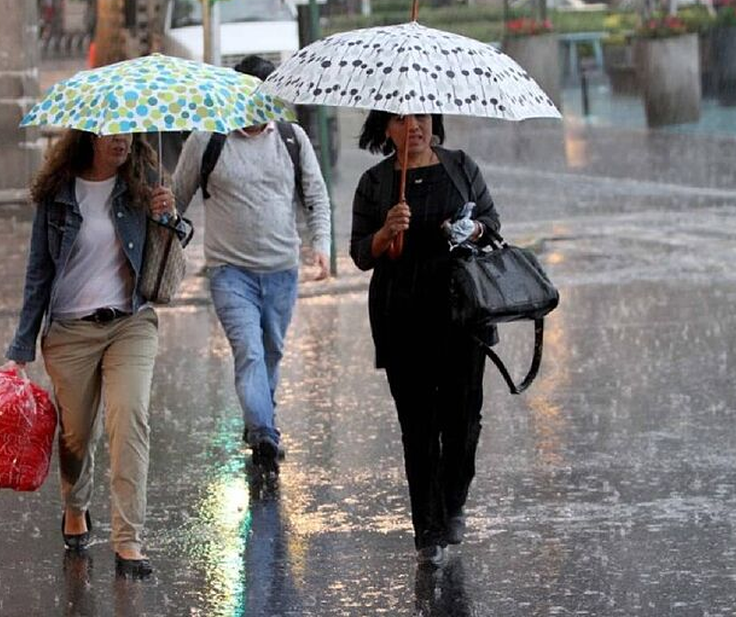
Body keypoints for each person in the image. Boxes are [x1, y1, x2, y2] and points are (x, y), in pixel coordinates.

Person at [4, 129, 182, 578]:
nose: (121, 141)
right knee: (77, 436)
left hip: (130, 322)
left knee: (130, 418)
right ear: (89, 136)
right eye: (110, 134)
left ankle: (129, 541)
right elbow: (38, 271)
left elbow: (171, 248)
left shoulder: (144, 179)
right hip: (70, 331)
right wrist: (22, 346)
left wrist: (169, 218)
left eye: (127, 132)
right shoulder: (59, 191)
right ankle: (75, 504)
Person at [349, 112, 500, 566]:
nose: (414, 125)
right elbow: (360, 253)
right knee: (417, 427)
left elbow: (491, 221)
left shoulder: (461, 166)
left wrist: (474, 229)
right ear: (385, 129)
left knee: (463, 421)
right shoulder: (375, 183)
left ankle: (453, 502)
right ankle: (428, 531)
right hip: (402, 317)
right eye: (401, 119)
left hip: (461, 313)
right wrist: (385, 233)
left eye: (422, 115)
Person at [172, 55, 332, 475]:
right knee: (249, 352)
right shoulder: (207, 140)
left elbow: (316, 195)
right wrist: (159, 227)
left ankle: (260, 417)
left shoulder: (292, 138)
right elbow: (177, 198)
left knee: (271, 352)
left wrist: (321, 245)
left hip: (282, 269)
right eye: (251, 95)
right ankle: (263, 432)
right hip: (230, 272)